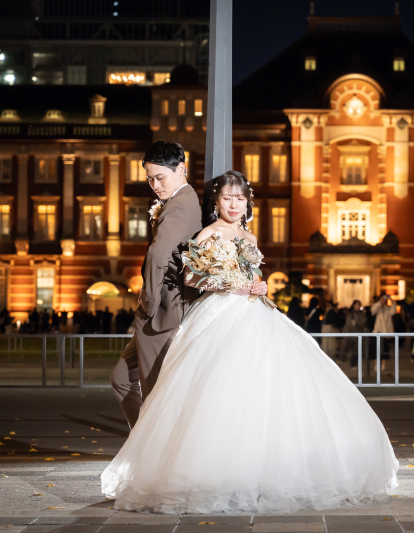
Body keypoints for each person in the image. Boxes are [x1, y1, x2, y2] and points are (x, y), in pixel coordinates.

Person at [102, 170, 397, 514]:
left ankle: (264, 467)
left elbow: (254, 274)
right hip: (218, 313)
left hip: (254, 312)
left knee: (268, 386)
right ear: (217, 201)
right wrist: (229, 284)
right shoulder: (208, 233)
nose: (233, 204)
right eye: (227, 198)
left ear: (247, 203)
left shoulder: (249, 235)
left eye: (239, 198)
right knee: (219, 388)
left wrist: (261, 285)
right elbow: (192, 276)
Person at [109, 141, 203, 429]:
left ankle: (154, 445)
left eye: (160, 177)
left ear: (181, 169)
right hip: (162, 310)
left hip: (160, 312)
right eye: (150, 179)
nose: (154, 185)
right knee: (121, 378)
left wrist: (147, 304)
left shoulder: (179, 206)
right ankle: (144, 441)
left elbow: (157, 255)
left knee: (154, 393)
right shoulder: (181, 201)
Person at [370, 294, 396, 372]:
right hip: (377, 331)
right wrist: (380, 302)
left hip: (386, 332)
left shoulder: (388, 308)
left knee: (385, 349)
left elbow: (393, 311)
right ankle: (376, 365)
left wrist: (391, 300)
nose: (383, 300)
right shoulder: (378, 308)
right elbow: (373, 310)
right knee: (376, 349)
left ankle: (383, 365)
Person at [343, 300, 367, 366]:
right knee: (345, 347)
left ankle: (353, 364)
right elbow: (348, 323)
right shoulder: (350, 314)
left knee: (356, 350)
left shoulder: (362, 314)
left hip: (358, 334)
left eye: (358, 304)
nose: (357, 306)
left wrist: (356, 323)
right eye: (356, 304)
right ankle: (342, 360)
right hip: (350, 334)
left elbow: (363, 323)